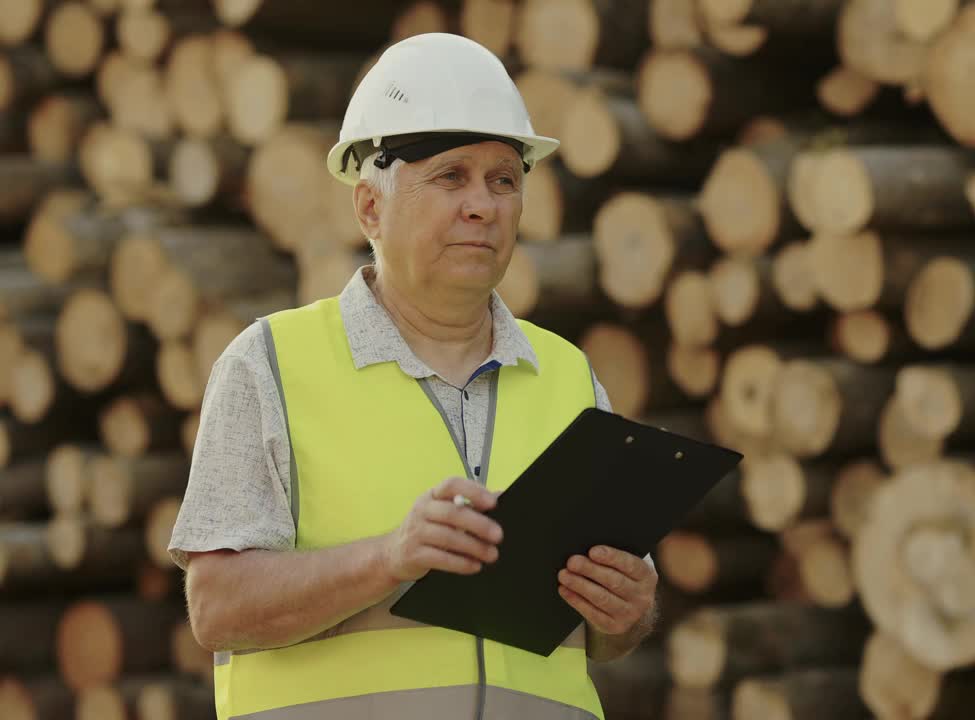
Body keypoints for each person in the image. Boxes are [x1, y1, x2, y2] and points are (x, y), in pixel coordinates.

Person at [168, 32, 658, 720]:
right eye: (451, 176)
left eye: (504, 180)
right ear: (369, 207)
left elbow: (613, 636)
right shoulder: (270, 364)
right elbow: (215, 608)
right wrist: (389, 559)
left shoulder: (570, 377)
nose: (483, 205)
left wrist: (629, 609)